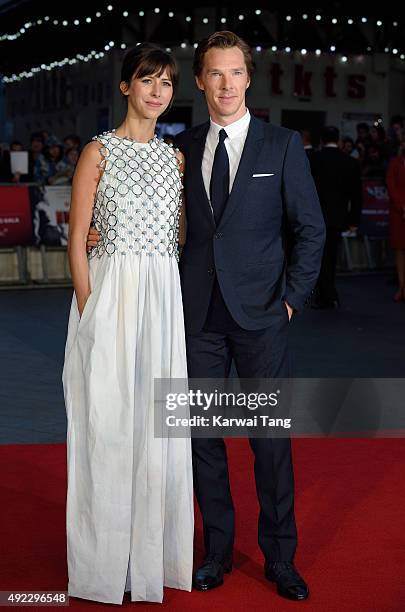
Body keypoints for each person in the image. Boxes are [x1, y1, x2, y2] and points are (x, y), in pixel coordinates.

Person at [88, 30, 325, 602]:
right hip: (195, 319)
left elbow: (311, 230)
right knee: (203, 442)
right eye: (214, 74)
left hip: (263, 318)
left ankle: (280, 557)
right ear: (200, 81)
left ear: (249, 78)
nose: (225, 84)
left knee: (269, 444)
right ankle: (216, 551)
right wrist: (100, 235)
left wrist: (291, 299)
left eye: (235, 73)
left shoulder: (283, 145)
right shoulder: (181, 148)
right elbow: (150, 218)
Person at [62, 43, 194, 605]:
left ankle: (149, 561)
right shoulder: (98, 151)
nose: (158, 91)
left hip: (162, 300)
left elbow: (180, 236)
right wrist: (90, 307)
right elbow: (75, 239)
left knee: (157, 429)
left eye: (166, 82)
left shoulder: (175, 159)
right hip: (110, 299)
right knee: (108, 426)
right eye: (148, 80)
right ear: (126, 87)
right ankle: (102, 566)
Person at [311, 126, 361, 308]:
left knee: (316, 256)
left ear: (323, 140)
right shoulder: (350, 162)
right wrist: (354, 220)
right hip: (337, 217)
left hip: (314, 216)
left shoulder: (313, 159)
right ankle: (329, 293)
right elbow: (356, 195)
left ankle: (323, 294)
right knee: (331, 256)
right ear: (338, 140)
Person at [386, 133, 405, 301]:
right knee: (399, 250)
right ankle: (401, 286)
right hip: (398, 213)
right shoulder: (395, 163)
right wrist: (402, 207)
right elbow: (391, 186)